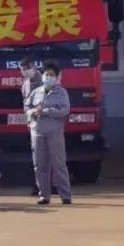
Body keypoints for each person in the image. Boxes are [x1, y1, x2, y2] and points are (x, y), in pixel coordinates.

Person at [25, 60, 72, 206]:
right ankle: (44, 195)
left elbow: (65, 111)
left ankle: (65, 195)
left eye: (51, 75)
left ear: (56, 77)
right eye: (46, 75)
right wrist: (33, 113)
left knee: (59, 164)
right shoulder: (35, 92)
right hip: (37, 132)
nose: (48, 77)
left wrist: (46, 111)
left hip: (54, 133)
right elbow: (27, 108)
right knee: (40, 166)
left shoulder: (62, 93)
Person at [20, 55, 48, 196]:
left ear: (33, 66)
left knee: (49, 156)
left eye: (27, 68)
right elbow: (26, 105)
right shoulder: (25, 85)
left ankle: (51, 184)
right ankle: (39, 185)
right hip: (33, 125)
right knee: (37, 157)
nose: (25, 71)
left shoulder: (45, 81)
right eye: (23, 69)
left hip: (47, 123)